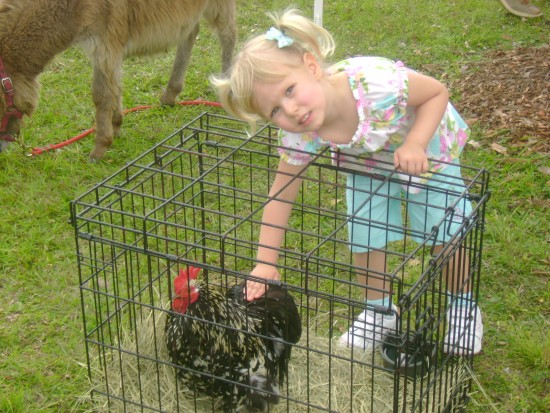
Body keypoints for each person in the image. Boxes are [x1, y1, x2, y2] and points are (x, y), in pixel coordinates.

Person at [211, 9, 483, 355]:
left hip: (424, 148)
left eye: (290, 90)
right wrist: (265, 261)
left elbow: (435, 93)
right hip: (367, 163)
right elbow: (280, 194)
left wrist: (415, 142)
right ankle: (379, 311)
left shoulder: (377, 85)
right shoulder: (300, 132)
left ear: (311, 66)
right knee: (364, 234)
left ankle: (463, 306)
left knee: (444, 231)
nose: (290, 110)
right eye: (274, 110)